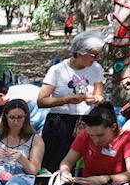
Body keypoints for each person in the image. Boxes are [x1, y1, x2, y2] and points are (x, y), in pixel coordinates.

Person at [38, 31, 106, 172]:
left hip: (85, 122)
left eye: (99, 54)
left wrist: (95, 99)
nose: (97, 59)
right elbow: (42, 101)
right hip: (59, 122)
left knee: (82, 165)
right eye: (94, 55)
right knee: (54, 164)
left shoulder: (97, 69)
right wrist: (66, 100)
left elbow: (99, 94)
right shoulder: (57, 71)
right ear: (80, 53)